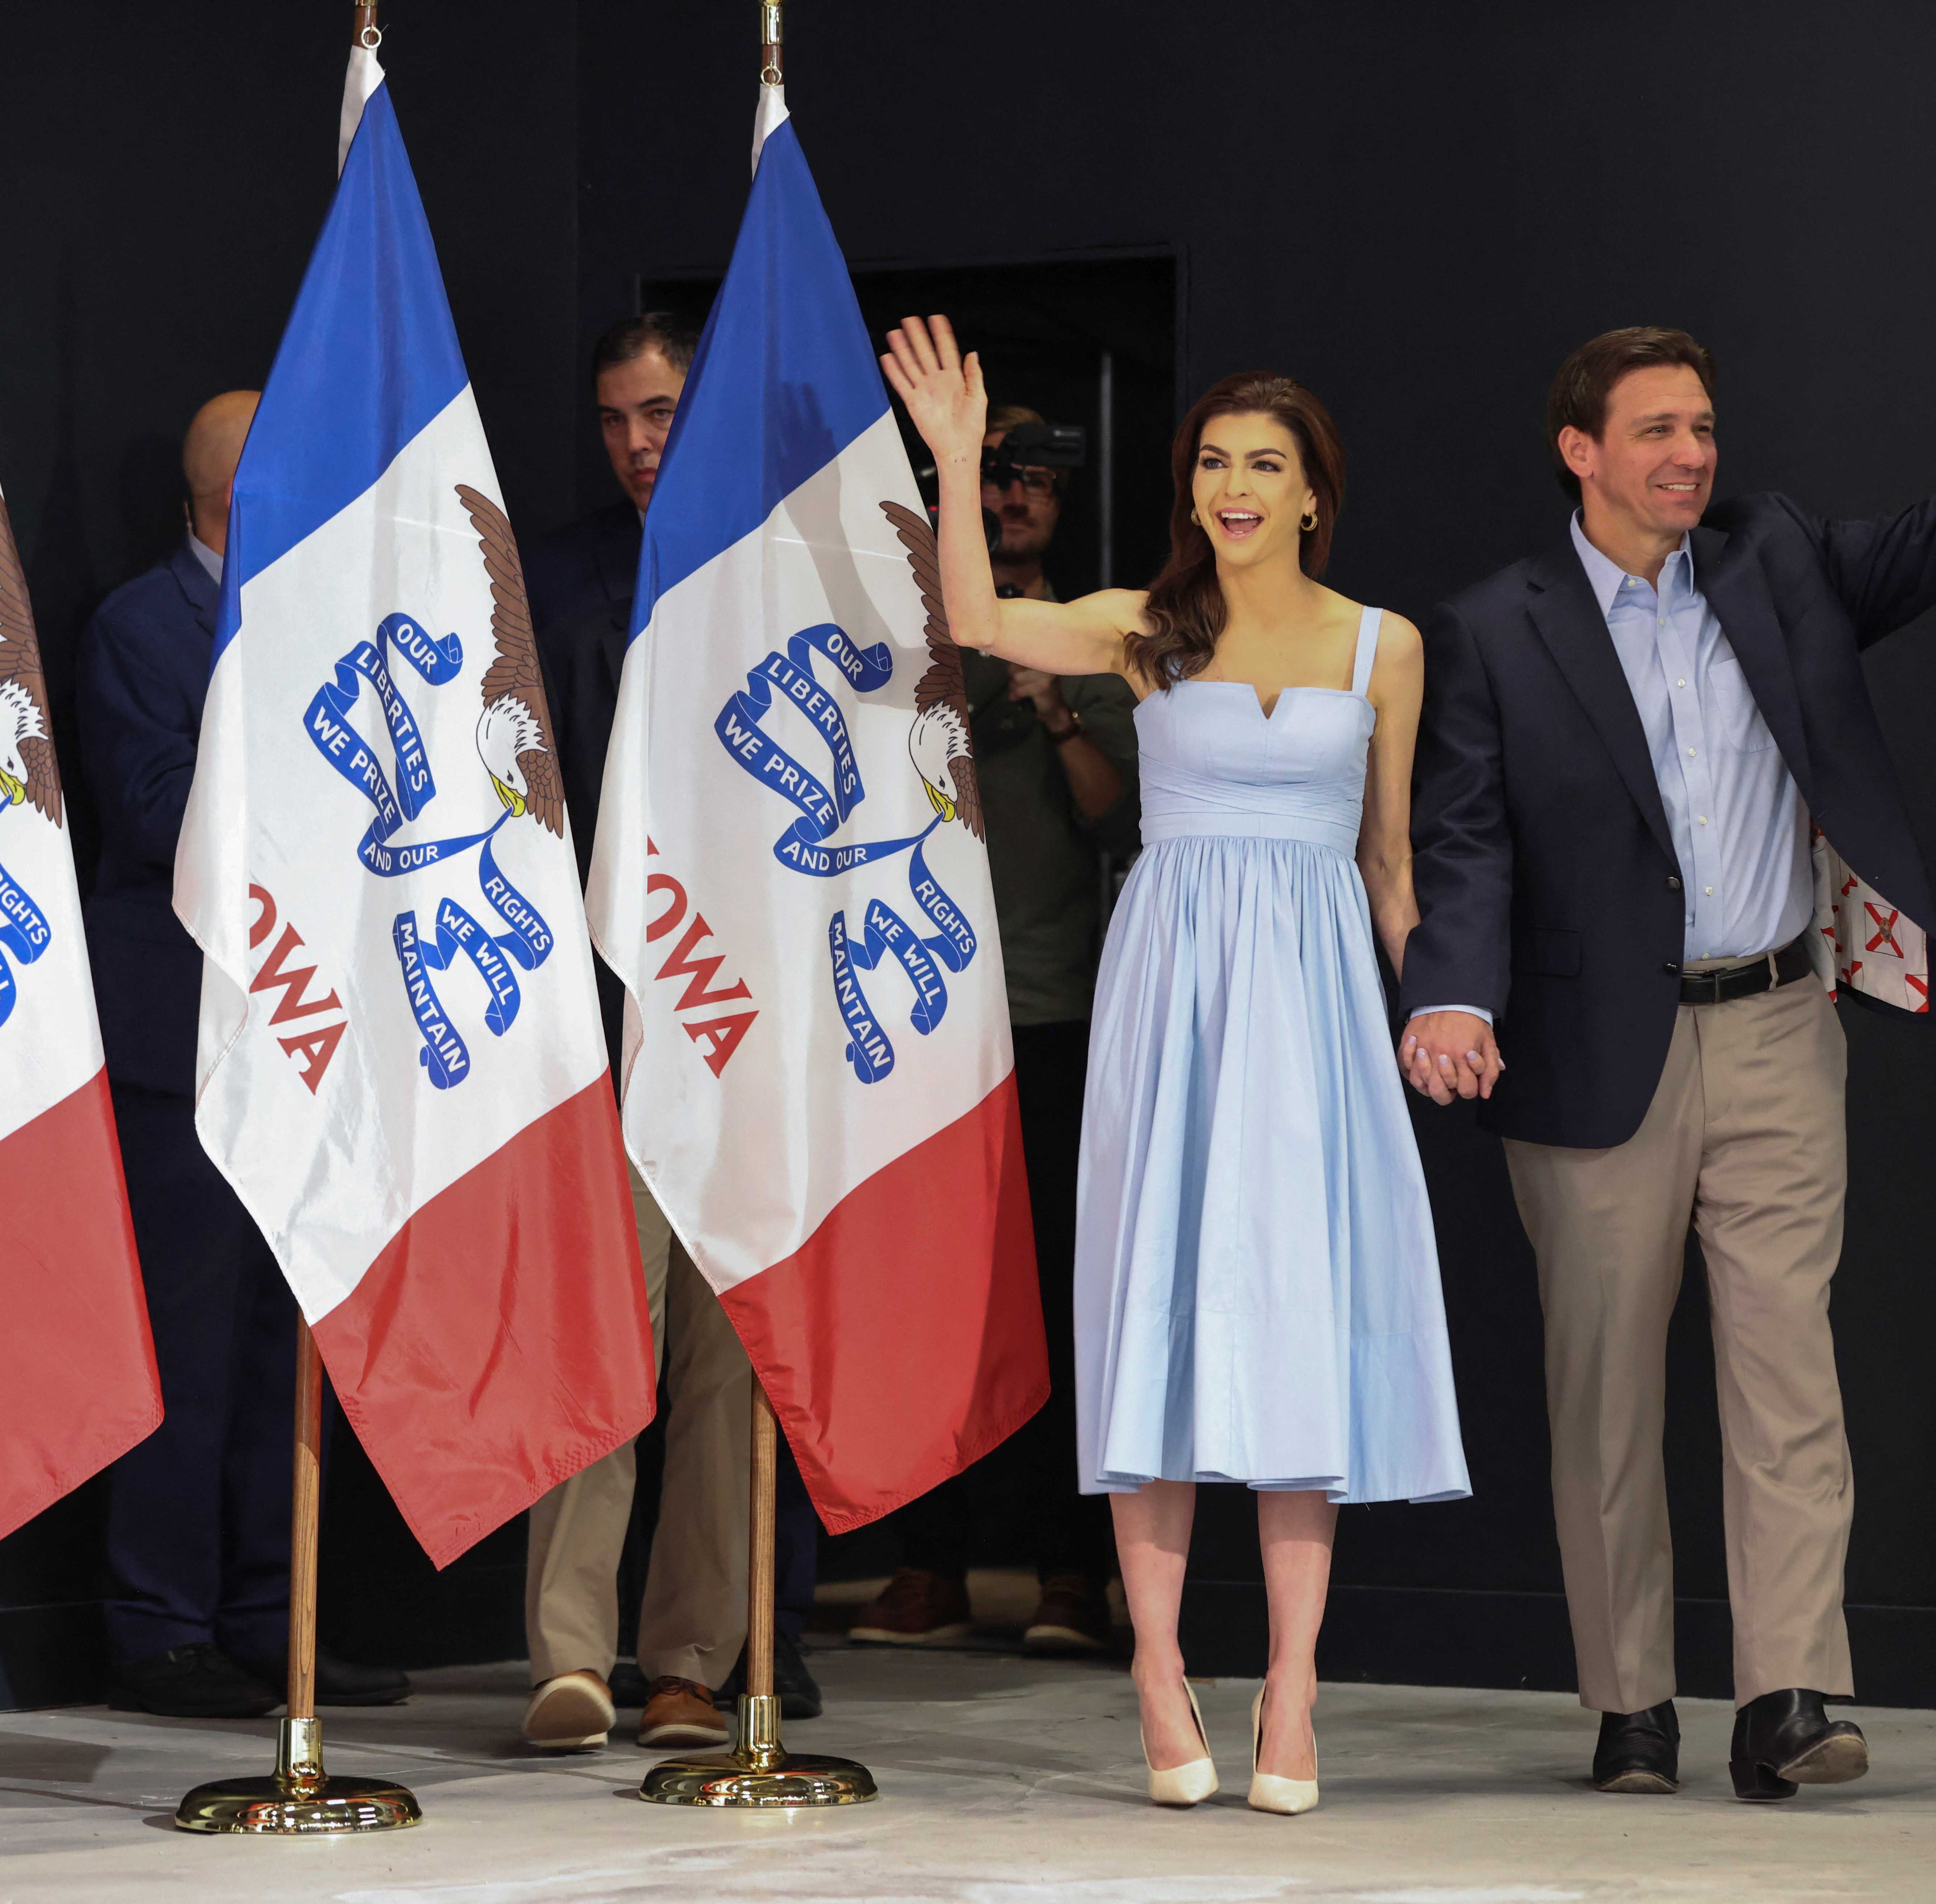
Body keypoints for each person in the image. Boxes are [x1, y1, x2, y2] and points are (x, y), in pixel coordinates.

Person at [1399, 244, 1936, 1801]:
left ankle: (1787, 1694)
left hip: (1775, 1029)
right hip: (1589, 1053)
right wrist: (1450, 990)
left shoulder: (1775, 558)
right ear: (1579, 449)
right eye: (1658, 430)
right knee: (1601, 1390)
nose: (1691, 456)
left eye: (1704, 429)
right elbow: (1462, 835)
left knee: (1783, 1365)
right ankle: (1627, 1704)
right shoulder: (1490, 624)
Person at [883, 316, 1471, 1816]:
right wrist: (954, 460)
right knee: (1155, 1301)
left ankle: (1291, 1681)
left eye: (1262, 465)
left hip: (1315, 997)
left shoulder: (1378, 644)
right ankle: (1154, 1663)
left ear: (1311, 493)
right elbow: (971, 617)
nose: (1234, 486)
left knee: (1293, 1322)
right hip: (1171, 982)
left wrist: (1439, 1006)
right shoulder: (1143, 625)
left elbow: (1391, 864)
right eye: (1213, 461)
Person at [82, 391, 409, 1718]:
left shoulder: (329, 628)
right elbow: (157, 811)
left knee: (294, 1337)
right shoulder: (138, 626)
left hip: (308, 1034)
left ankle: (284, 1614)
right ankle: (161, 1622)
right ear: (238, 498)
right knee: (184, 1341)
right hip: (186, 1035)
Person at [519, 311, 819, 1755]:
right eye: (616, 418)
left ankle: (689, 1656)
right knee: (597, 1333)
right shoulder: (558, 569)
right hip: (604, 1004)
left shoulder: (789, 565)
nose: (639, 441)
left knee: (724, 1353)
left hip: (749, 1011)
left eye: (662, 413)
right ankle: (569, 1652)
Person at [849, 403, 1139, 1657]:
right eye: (995, 481)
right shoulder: (909, 644)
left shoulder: (1094, 647)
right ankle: (930, 1563)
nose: (1015, 500)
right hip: (919, 1015)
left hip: (1061, 1011)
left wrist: (1062, 713)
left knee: (1072, 1301)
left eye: (1036, 483)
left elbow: (1119, 820)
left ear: (1062, 507)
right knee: (928, 1301)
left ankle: (1075, 1574)